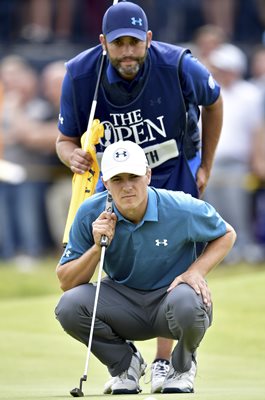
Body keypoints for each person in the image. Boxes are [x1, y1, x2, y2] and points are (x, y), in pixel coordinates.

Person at [56, 1, 223, 392]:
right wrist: (72, 156)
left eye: (135, 42)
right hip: (115, 173)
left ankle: (166, 363)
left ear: (149, 39)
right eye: (119, 44)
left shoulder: (178, 65)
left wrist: (206, 166)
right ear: (104, 44)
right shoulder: (81, 74)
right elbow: (65, 140)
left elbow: (214, 102)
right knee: (114, 249)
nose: (128, 51)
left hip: (171, 165)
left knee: (172, 261)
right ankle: (127, 362)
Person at [55, 140, 236, 395]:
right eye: (118, 179)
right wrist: (97, 248)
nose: (127, 186)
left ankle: (181, 366)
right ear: (105, 183)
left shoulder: (179, 206)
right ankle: (125, 365)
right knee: (69, 306)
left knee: (191, 300)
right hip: (123, 304)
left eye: (134, 177)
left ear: (148, 175)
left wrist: (195, 271)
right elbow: (66, 281)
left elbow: (226, 233)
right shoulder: (90, 212)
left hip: (171, 300)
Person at [205, 43, 265, 263]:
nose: (220, 71)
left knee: (240, 212)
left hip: (239, 163)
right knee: (215, 213)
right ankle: (223, 255)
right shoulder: (211, 92)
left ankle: (246, 249)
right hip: (213, 162)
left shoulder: (249, 94)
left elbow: (257, 130)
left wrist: (257, 160)